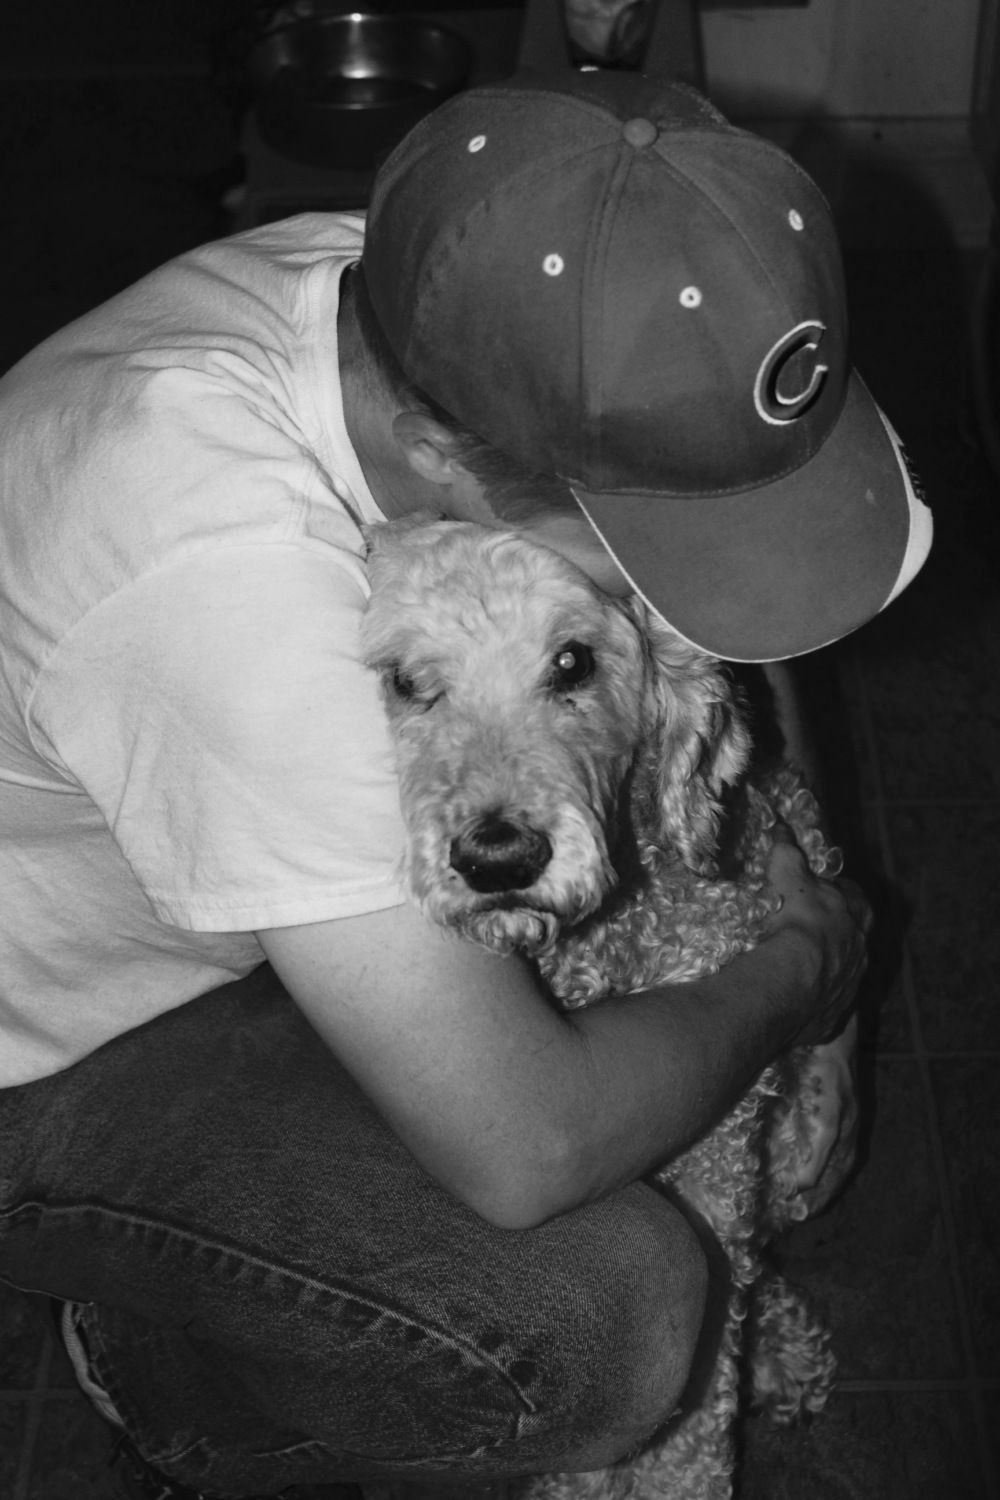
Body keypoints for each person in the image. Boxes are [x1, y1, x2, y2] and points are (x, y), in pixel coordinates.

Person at [0, 69, 930, 1500]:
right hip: (46, 1051)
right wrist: (801, 976)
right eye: (671, 536)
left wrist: (812, 951)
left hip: (200, 888)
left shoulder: (415, 306)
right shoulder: (225, 586)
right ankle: (169, 1371)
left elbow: (711, 638)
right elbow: (529, 1145)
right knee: (607, 1314)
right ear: (446, 457)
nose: (706, 574)